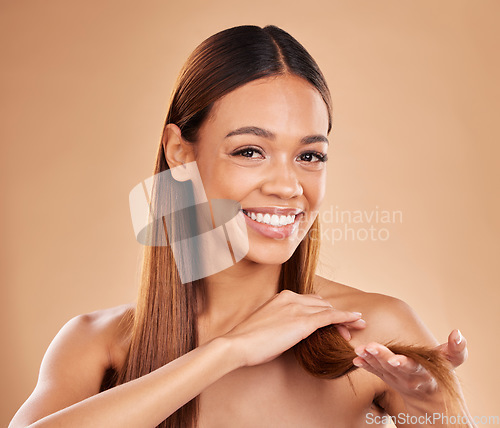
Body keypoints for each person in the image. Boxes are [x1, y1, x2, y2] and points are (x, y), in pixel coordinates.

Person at [9, 25, 474, 428]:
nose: (288, 186)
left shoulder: (374, 333)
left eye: (309, 156)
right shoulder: (97, 345)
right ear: (181, 152)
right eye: (250, 151)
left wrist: (433, 411)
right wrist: (228, 351)